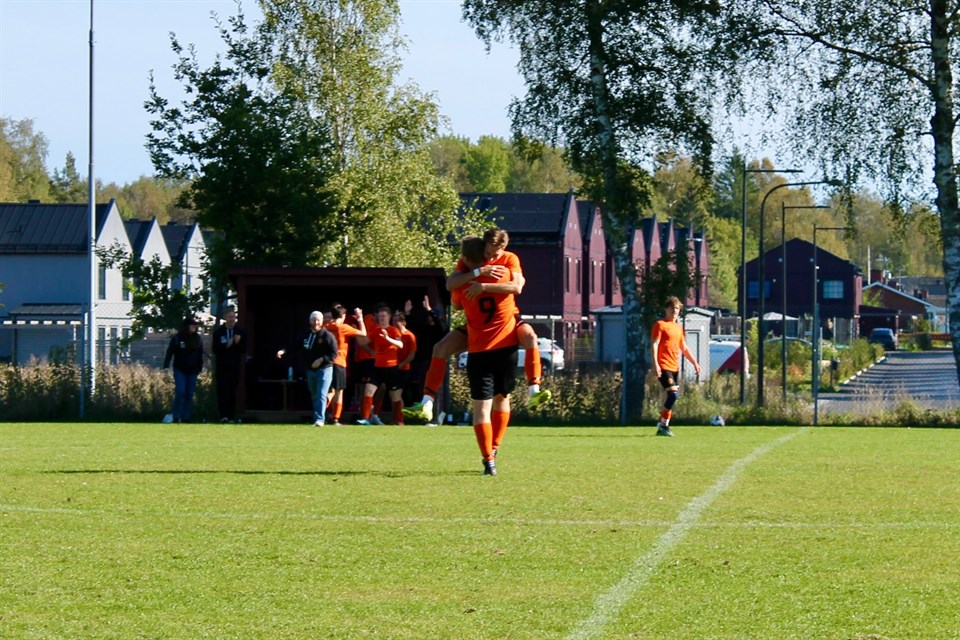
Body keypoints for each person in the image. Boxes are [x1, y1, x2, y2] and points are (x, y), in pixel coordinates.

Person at [404, 228, 551, 424]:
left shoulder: (506, 261)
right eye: (487, 253)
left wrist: (482, 286)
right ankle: (427, 403)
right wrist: (479, 273)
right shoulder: (473, 266)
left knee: (530, 338)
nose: (490, 258)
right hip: (479, 327)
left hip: (504, 321)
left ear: (504, 247)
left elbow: (515, 287)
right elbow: (452, 286)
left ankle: (534, 389)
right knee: (440, 349)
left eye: (494, 254)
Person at [454, 236, 521, 475]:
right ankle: (495, 447)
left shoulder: (463, 285)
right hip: (506, 345)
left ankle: (488, 459)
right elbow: (517, 286)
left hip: (479, 350)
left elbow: (455, 302)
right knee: (502, 399)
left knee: (481, 408)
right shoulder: (504, 271)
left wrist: (477, 282)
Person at [651, 296, 702, 437]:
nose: (675, 310)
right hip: (664, 365)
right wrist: (656, 364)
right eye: (672, 308)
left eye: (677, 308)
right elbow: (655, 344)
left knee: (671, 397)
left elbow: (684, 347)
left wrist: (695, 363)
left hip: (674, 367)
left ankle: (663, 425)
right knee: (673, 395)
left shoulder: (678, 328)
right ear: (666, 309)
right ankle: (663, 425)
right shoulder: (660, 325)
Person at [276, 311, 338, 427]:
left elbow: (334, 354)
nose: (316, 322)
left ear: (322, 321)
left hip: (324, 369)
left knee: (321, 393)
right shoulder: (305, 335)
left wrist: (321, 360)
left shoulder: (327, 336)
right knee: (314, 394)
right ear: (310, 321)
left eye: (318, 319)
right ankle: (317, 417)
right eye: (314, 319)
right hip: (310, 370)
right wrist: (284, 351)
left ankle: (320, 419)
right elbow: (295, 345)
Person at [356, 304, 405, 425]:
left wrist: (388, 338)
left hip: (391, 368)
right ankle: (366, 419)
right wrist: (359, 324)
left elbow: (400, 345)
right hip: (377, 367)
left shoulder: (393, 330)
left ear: (389, 317)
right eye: (380, 316)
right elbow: (363, 342)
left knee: (395, 396)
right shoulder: (376, 330)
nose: (381, 318)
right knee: (368, 390)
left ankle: (398, 420)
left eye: (384, 316)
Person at [324, 304, 369, 425]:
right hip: (339, 362)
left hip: (326, 362)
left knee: (329, 389)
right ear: (343, 315)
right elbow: (363, 333)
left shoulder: (326, 327)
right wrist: (360, 319)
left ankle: (326, 415)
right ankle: (333, 418)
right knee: (337, 391)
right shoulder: (343, 327)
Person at [163, 316, 205, 424]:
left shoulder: (197, 338)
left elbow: (200, 354)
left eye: (195, 325)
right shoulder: (177, 338)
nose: (194, 327)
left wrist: (200, 367)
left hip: (193, 370)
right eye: (192, 325)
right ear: (186, 326)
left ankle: (185, 417)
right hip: (180, 369)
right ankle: (176, 415)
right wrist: (166, 366)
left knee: (189, 393)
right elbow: (170, 352)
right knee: (180, 391)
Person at [211, 307, 246, 423]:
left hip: (235, 367)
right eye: (230, 317)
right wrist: (227, 345)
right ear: (225, 318)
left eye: (234, 317)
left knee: (232, 391)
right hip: (222, 367)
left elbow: (243, 349)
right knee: (223, 391)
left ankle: (231, 416)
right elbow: (215, 350)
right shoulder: (218, 333)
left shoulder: (240, 332)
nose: (232, 319)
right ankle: (223, 416)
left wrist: (237, 343)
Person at [392, 310, 418, 406]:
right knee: (392, 394)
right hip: (391, 367)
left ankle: (400, 414)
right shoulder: (391, 334)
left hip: (403, 369)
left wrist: (400, 365)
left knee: (398, 394)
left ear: (403, 322)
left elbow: (411, 356)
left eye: (396, 321)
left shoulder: (409, 336)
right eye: (393, 321)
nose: (394, 323)